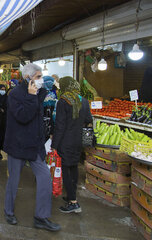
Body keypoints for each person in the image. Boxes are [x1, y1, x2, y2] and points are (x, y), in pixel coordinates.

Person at [3, 63, 61, 232]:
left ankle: (41, 217)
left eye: (41, 76)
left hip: (35, 146)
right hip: (18, 146)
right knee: (13, 181)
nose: (41, 80)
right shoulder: (14, 94)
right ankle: (8, 211)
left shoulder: (39, 93)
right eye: (38, 77)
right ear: (28, 78)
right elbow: (23, 116)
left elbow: (38, 118)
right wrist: (30, 96)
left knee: (45, 179)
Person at [51, 76, 92, 213]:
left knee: (66, 171)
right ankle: (71, 195)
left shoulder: (63, 101)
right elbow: (88, 120)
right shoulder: (84, 101)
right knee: (74, 168)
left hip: (66, 142)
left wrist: (54, 144)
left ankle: (73, 202)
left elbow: (60, 126)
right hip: (78, 141)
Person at [42, 76, 58, 140]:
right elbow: (54, 116)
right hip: (49, 127)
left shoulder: (38, 95)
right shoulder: (53, 97)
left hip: (39, 128)